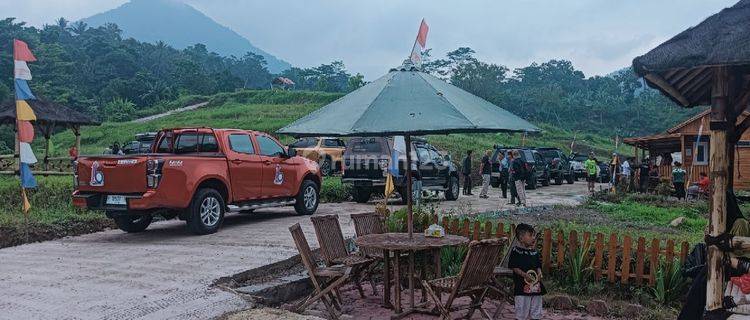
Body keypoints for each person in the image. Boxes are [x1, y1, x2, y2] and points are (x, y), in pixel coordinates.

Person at [509, 223, 546, 320]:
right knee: (522, 309)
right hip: (522, 287)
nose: (533, 238)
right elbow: (514, 267)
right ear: (521, 238)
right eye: (530, 235)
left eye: (534, 235)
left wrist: (539, 273)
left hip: (536, 287)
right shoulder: (516, 251)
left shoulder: (534, 252)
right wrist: (524, 275)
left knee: (536, 308)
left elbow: (538, 265)